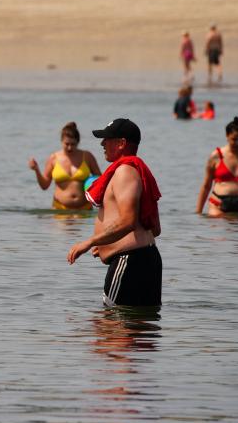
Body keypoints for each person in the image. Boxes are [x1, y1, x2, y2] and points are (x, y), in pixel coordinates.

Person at [67, 119, 162, 307]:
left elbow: (128, 221)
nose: (102, 144)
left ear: (121, 143)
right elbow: (155, 229)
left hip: (129, 261)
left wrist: (89, 242)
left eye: (106, 139)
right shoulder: (135, 171)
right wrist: (106, 242)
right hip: (144, 259)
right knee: (141, 331)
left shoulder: (124, 172)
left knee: (110, 327)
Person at [195, 116, 238, 216]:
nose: (237, 143)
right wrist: (198, 212)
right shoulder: (216, 156)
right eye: (234, 139)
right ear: (227, 136)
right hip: (218, 205)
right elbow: (206, 185)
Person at [28, 122, 102, 210]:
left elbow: (101, 181)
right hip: (60, 209)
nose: (70, 147)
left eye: (73, 144)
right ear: (61, 141)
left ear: (78, 142)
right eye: (67, 144)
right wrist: (36, 170)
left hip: (85, 208)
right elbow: (44, 186)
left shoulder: (87, 156)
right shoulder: (53, 158)